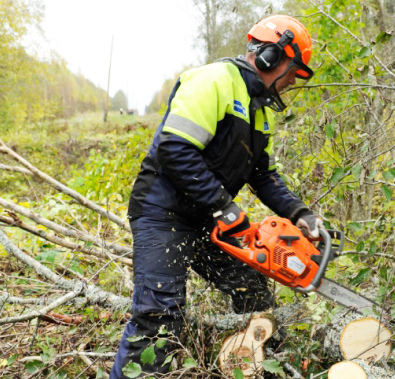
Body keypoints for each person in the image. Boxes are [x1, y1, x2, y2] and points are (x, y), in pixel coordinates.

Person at [110, 15, 324, 378]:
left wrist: (301, 213)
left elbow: (262, 174)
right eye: (291, 72)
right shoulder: (213, 81)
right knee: (159, 316)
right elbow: (174, 148)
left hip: (207, 219)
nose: (289, 83)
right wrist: (224, 206)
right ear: (272, 56)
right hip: (163, 213)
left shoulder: (259, 110)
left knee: (253, 295)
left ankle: (260, 366)